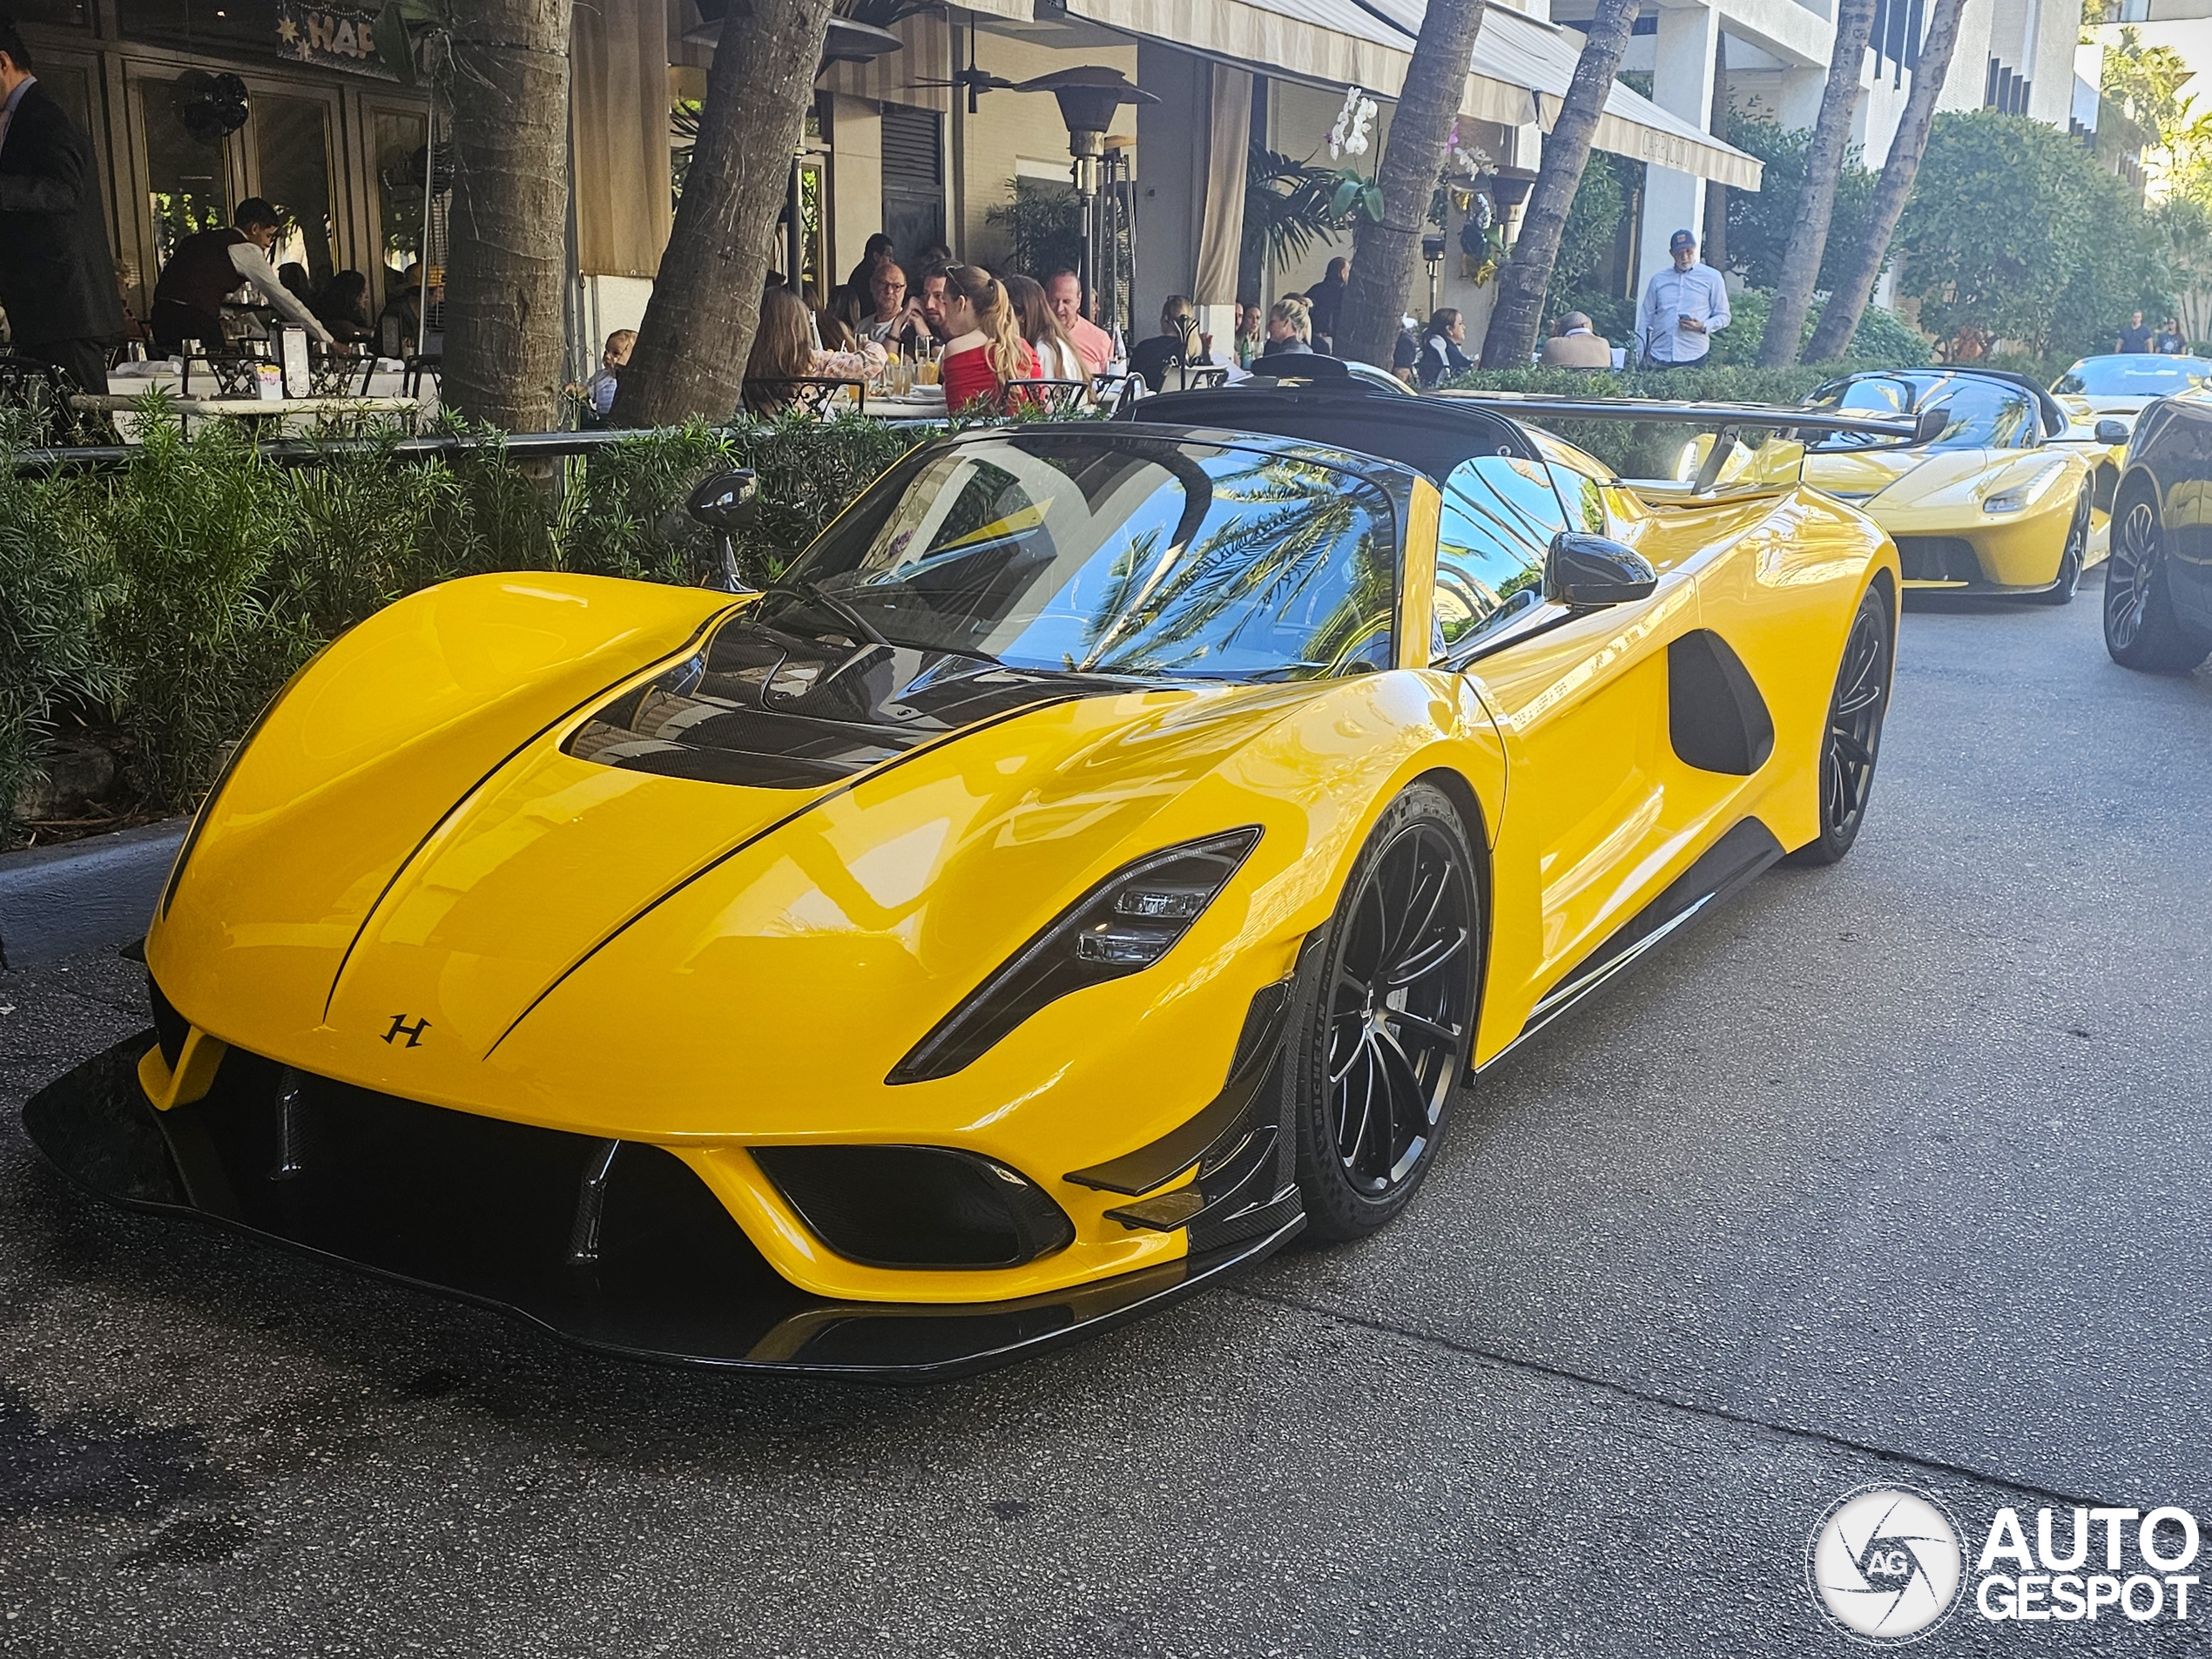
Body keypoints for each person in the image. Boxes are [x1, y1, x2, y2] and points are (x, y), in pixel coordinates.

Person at [0, 17, 125, 395]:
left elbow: (65, 191)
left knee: (86, 435)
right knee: (58, 437)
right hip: (43, 309)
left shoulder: (46, 114)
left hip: (66, 308)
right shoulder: (22, 116)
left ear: (2, 63)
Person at [151, 196, 334, 356]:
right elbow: (282, 298)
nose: (268, 244)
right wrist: (327, 339)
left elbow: (188, 287)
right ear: (255, 228)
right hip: (194, 322)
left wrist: (226, 311)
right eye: (268, 236)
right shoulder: (245, 249)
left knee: (176, 375)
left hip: (160, 317)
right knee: (215, 375)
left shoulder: (194, 241)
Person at [939, 263, 1037, 412]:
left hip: (977, 435)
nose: (944, 313)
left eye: (945, 304)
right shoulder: (1025, 348)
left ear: (960, 303)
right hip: (1026, 435)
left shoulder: (956, 348)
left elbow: (959, 418)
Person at [1636, 228, 1729, 369]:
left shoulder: (1712, 278)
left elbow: (1724, 316)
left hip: (1694, 353)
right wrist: (1640, 354)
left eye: (1688, 251)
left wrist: (1703, 326)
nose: (1684, 257)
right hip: (1659, 353)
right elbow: (1646, 317)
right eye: (1679, 253)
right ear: (1672, 254)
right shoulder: (1658, 280)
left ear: (1695, 249)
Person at [1005, 273, 1082, 382]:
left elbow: (1045, 397)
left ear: (1021, 315)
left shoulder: (1044, 350)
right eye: (1054, 301)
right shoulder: (1048, 344)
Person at [1044, 268, 1114, 375]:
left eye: (1066, 302)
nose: (1059, 308)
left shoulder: (1100, 339)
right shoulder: (1035, 334)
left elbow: (1112, 385)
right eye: (1054, 301)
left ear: (1078, 300)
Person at [1128, 295, 1201, 392]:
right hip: (1187, 405)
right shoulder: (1195, 354)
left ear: (1165, 319)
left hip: (1152, 405)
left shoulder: (1145, 348)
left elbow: (1130, 385)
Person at [858, 261, 927, 350]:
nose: (889, 291)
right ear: (872, 285)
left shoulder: (911, 325)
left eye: (896, 286)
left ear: (904, 289)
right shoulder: (861, 327)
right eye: (883, 283)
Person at [311, 269, 374, 346]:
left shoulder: (355, 317)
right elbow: (353, 330)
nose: (366, 296)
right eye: (363, 291)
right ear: (351, 294)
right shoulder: (338, 323)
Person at [582, 328, 634, 418]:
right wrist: (575, 389)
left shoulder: (632, 380)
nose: (607, 356)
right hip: (603, 422)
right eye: (607, 351)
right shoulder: (600, 377)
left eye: (616, 353)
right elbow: (585, 391)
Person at [1415, 307, 1474, 388]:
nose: (1464, 327)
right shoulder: (1443, 348)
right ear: (1449, 329)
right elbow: (1463, 368)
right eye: (1460, 324)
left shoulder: (1436, 343)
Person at [1541, 310, 1613, 369]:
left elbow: (1543, 367)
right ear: (1586, 325)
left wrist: (1553, 334)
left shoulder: (1552, 344)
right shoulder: (1603, 343)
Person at [1307, 255, 1350, 347]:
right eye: (1348, 271)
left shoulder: (1315, 289)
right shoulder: (1345, 292)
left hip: (1314, 338)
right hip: (1336, 338)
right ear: (1342, 273)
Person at [1260, 295, 1316, 359]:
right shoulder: (1308, 351)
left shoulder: (1281, 357)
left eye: (1272, 322)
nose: (1268, 327)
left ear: (1286, 322)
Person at [915, 265, 951, 344]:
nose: (929, 305)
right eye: (925, 294)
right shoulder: (919, 324)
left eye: (938, 296)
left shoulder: (971, 336)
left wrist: (928, 339)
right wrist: (899, 321)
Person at [1235, 300, 1263, 369]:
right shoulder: (1235, 340)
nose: (1255, 321)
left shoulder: (1259, 344)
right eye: (1250, 317)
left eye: (1258, 318)